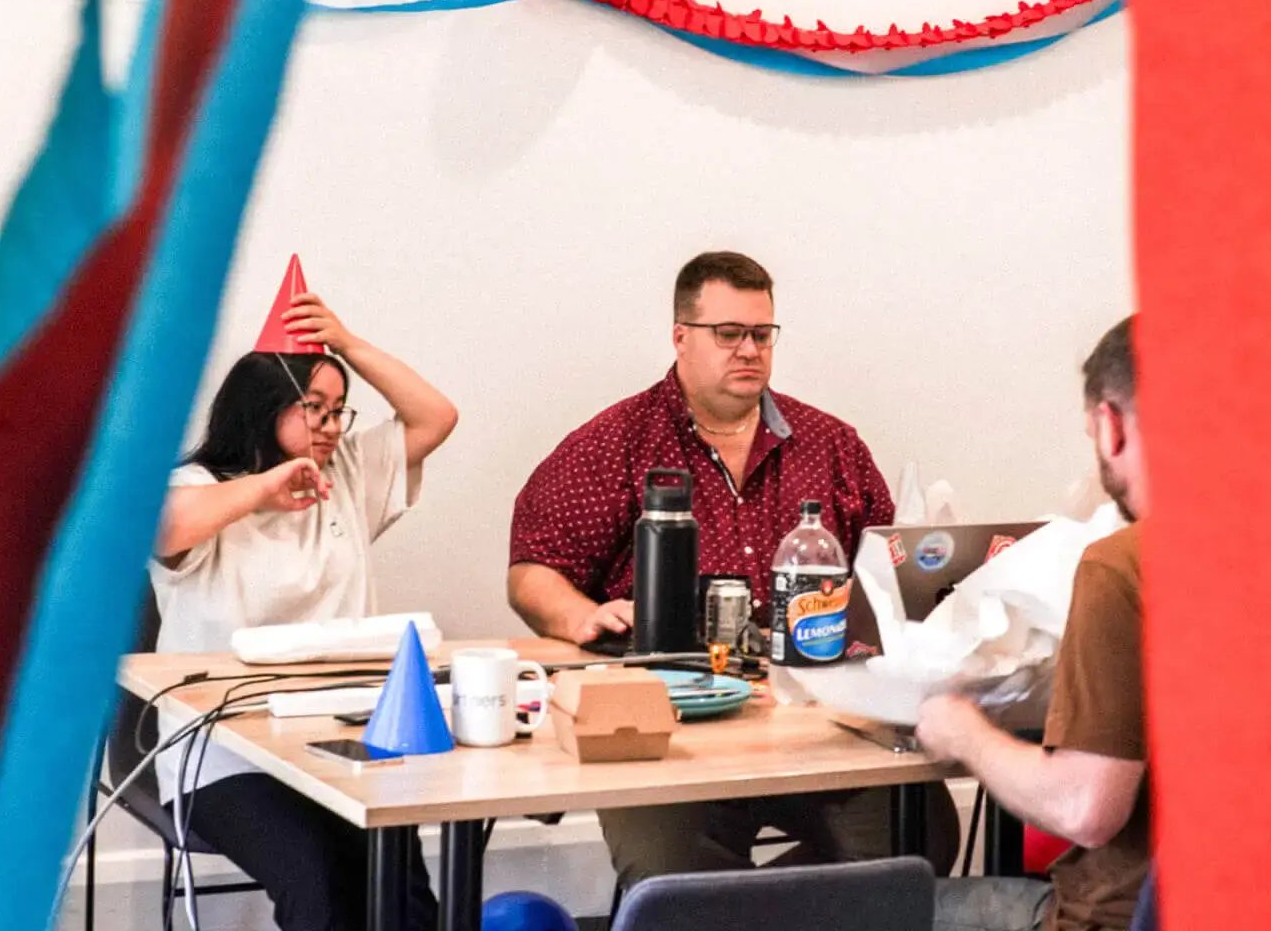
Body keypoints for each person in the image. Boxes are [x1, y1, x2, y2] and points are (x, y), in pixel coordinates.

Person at [917, 316, 1271, 931]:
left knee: (893, 906)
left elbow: (1087, 809)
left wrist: (962, 733)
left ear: (1110, 426)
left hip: (1130, 919)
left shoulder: (1121, 567)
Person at [508, 250, 958, 884]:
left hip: (815, 718)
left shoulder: (830, 444)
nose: (749, 350)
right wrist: (582, 615)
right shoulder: (614, 444)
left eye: (761, 334)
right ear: (681, 337)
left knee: (919, 837)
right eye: (728, 334)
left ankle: (759, 913)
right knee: (675, 879)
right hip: (670, 723)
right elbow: (532, 571)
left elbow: (887, 570)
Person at [150, 289, 458, 931]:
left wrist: (347, 344)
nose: (330, 426)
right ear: (261, 408)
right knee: (315, 875)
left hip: (335, 739)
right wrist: (262, 486)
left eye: (338, 410)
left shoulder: (345, 473)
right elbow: (161, 529)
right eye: (313, 407)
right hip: (221, 756)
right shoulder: (199, 488)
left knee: (396, 867)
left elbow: (436, 416)